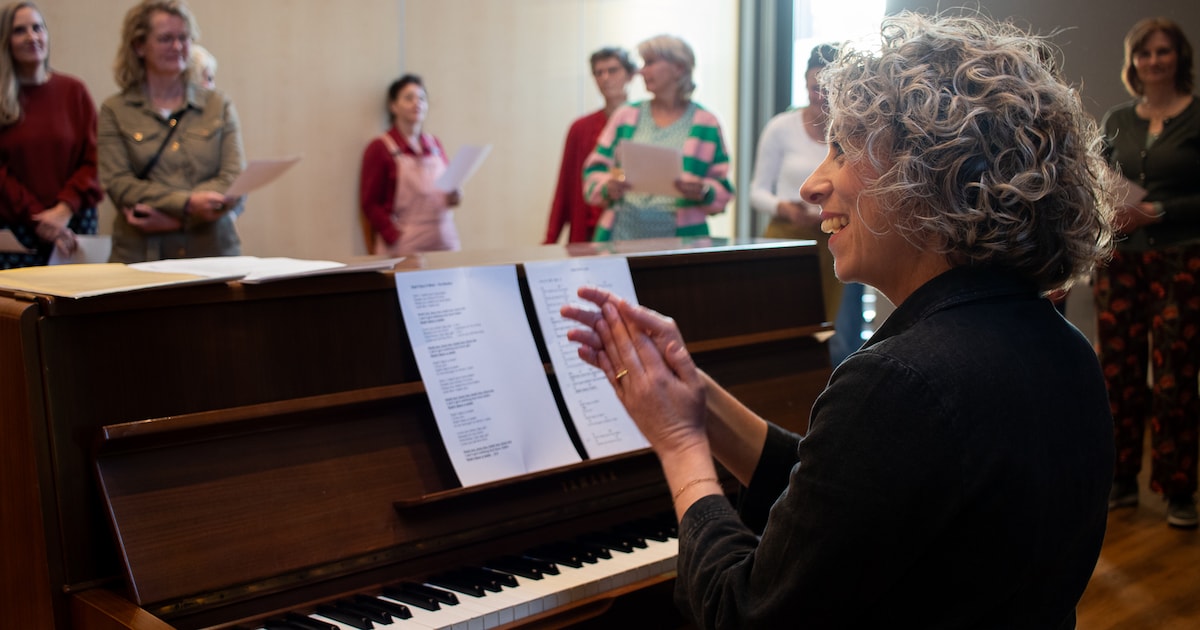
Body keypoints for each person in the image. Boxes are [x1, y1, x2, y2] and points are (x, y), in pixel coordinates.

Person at [563, 12, 1116, 627]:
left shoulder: (901, 380)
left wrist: (679, 444)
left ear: (927, 175)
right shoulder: (1062, 345)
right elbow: (845, 494)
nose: (810, 184)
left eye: (843, 150)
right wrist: (696, 395)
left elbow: (740, 612)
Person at [1097, 17, 1200, 529]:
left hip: (1182, 260)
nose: (1154, 60)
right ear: (1133, 62)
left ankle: (1178, 488)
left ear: (1180, 57)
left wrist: (1157, 210)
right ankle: (1120, 480)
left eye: (1163, 51)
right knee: (1117, 371)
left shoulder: (1198, 117)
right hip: (1120, 262)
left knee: (1176, 373)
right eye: (1145, 53)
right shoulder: (1117, 119)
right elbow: (1097, 181)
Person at [97, 0, 244, 264]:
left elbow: (233, 178)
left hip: (214, 257)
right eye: (166, 39)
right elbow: (120, 185)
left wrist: (173, 220)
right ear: (139, 46)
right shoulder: (115, 110)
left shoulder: (218, 105)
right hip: (143, 258)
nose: (177, 47)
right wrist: (188, 204)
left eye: (183, 38)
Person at [750, 43, 864, 364]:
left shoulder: (854, 130)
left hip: (836, 236)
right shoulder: (780, 128)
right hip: (787, 239)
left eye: (830, 89)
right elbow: (757, 191)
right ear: (804, 82)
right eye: (816, 88)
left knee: (841, 337)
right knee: (779, 328)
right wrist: (783, 208)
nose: (822, 96)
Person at [583, 35, 732, 241]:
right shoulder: (626, 115)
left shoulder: (706, 123)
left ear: (679, 68)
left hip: (683, 245)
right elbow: (593, 173)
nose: (642, 71)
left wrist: (704, 191)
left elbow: (723, 190)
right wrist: (608, 186)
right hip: (620, 237)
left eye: (650, 63)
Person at [0, 1, 101, 268]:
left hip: (74, 224)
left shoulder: (74, 91)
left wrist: (63, 209)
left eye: (38, 28)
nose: (32, 37)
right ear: (6, 41)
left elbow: (95, 159)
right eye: (20, 30)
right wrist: (39, 217)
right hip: (15, 232)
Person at [359, 73, 460, 255]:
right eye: (408, 98)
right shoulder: (380, 148)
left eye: (421, 98)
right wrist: (393, 235)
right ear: (393, 106)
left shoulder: (435, 145)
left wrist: (454, 196)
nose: (417, 103)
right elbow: (370, 203)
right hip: (406, 244)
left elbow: (445, 190)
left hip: (443, 239)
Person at [543, 47, 635, 245]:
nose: (605, 78)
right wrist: (550, 240)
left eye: (613, 70)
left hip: (632, 227)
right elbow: (566, 186)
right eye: (598, 72)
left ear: (629, 75)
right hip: (588, 228)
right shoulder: (581, 128)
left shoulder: (644, 125)